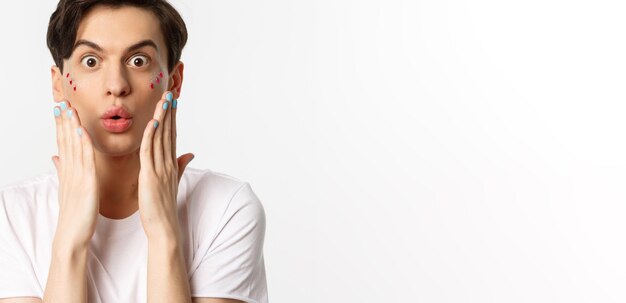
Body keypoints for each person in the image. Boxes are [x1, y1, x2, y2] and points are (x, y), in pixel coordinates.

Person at [0, 1, 269, 302]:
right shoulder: (11, 217)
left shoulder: (225, 209)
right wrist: (69, 245)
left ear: (174, 81)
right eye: (91, 61)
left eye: (138, 61)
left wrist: (165, 236)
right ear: (58, 84)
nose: (116, 85)